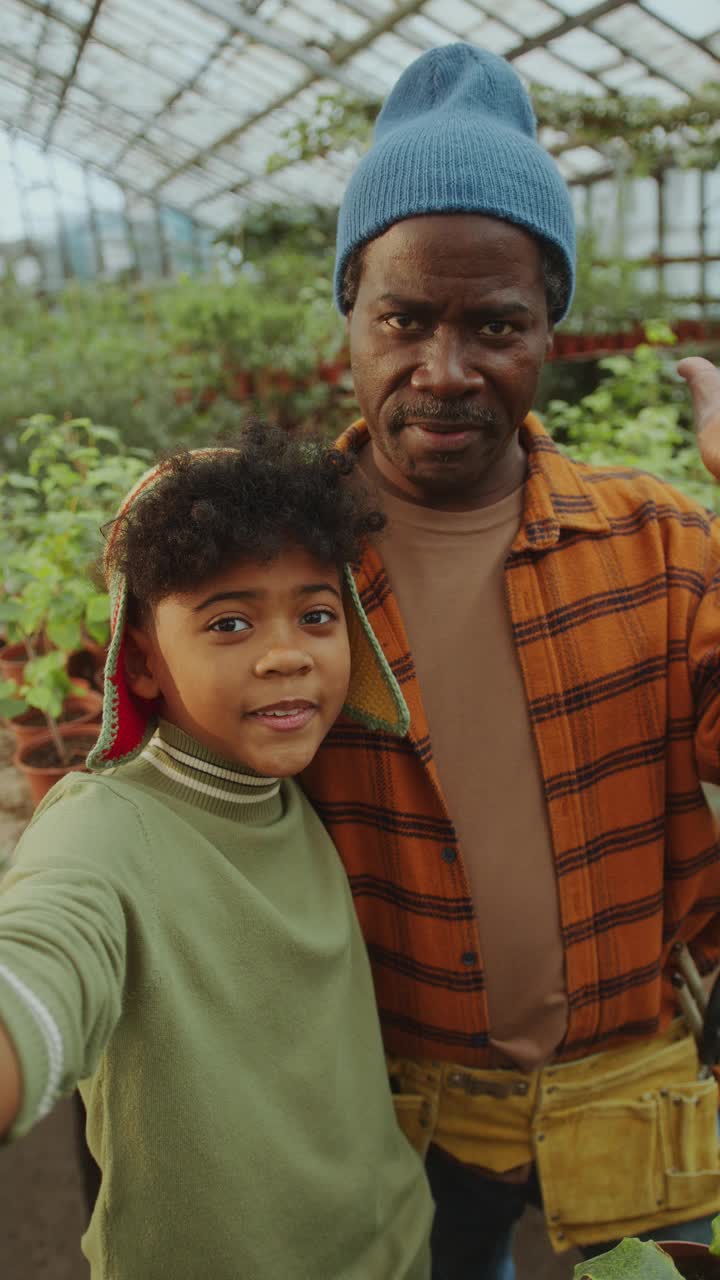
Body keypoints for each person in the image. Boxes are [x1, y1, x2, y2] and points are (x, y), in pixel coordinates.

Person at [300, 41, 720, 1280]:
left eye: (495, 324)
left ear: (551, 328)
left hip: (636, 1083)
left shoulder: (663, 542)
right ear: (350, 312)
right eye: (404, 318)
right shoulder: (279, 567)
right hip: (401, 1103)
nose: (444, 371)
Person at [0, 425, 433, 1280]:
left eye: (316, 615)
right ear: (145, 663)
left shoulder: (293, 791)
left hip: (396, 1250)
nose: (286, 656)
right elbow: (45, 957)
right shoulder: (106, 826)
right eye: (229, 622)